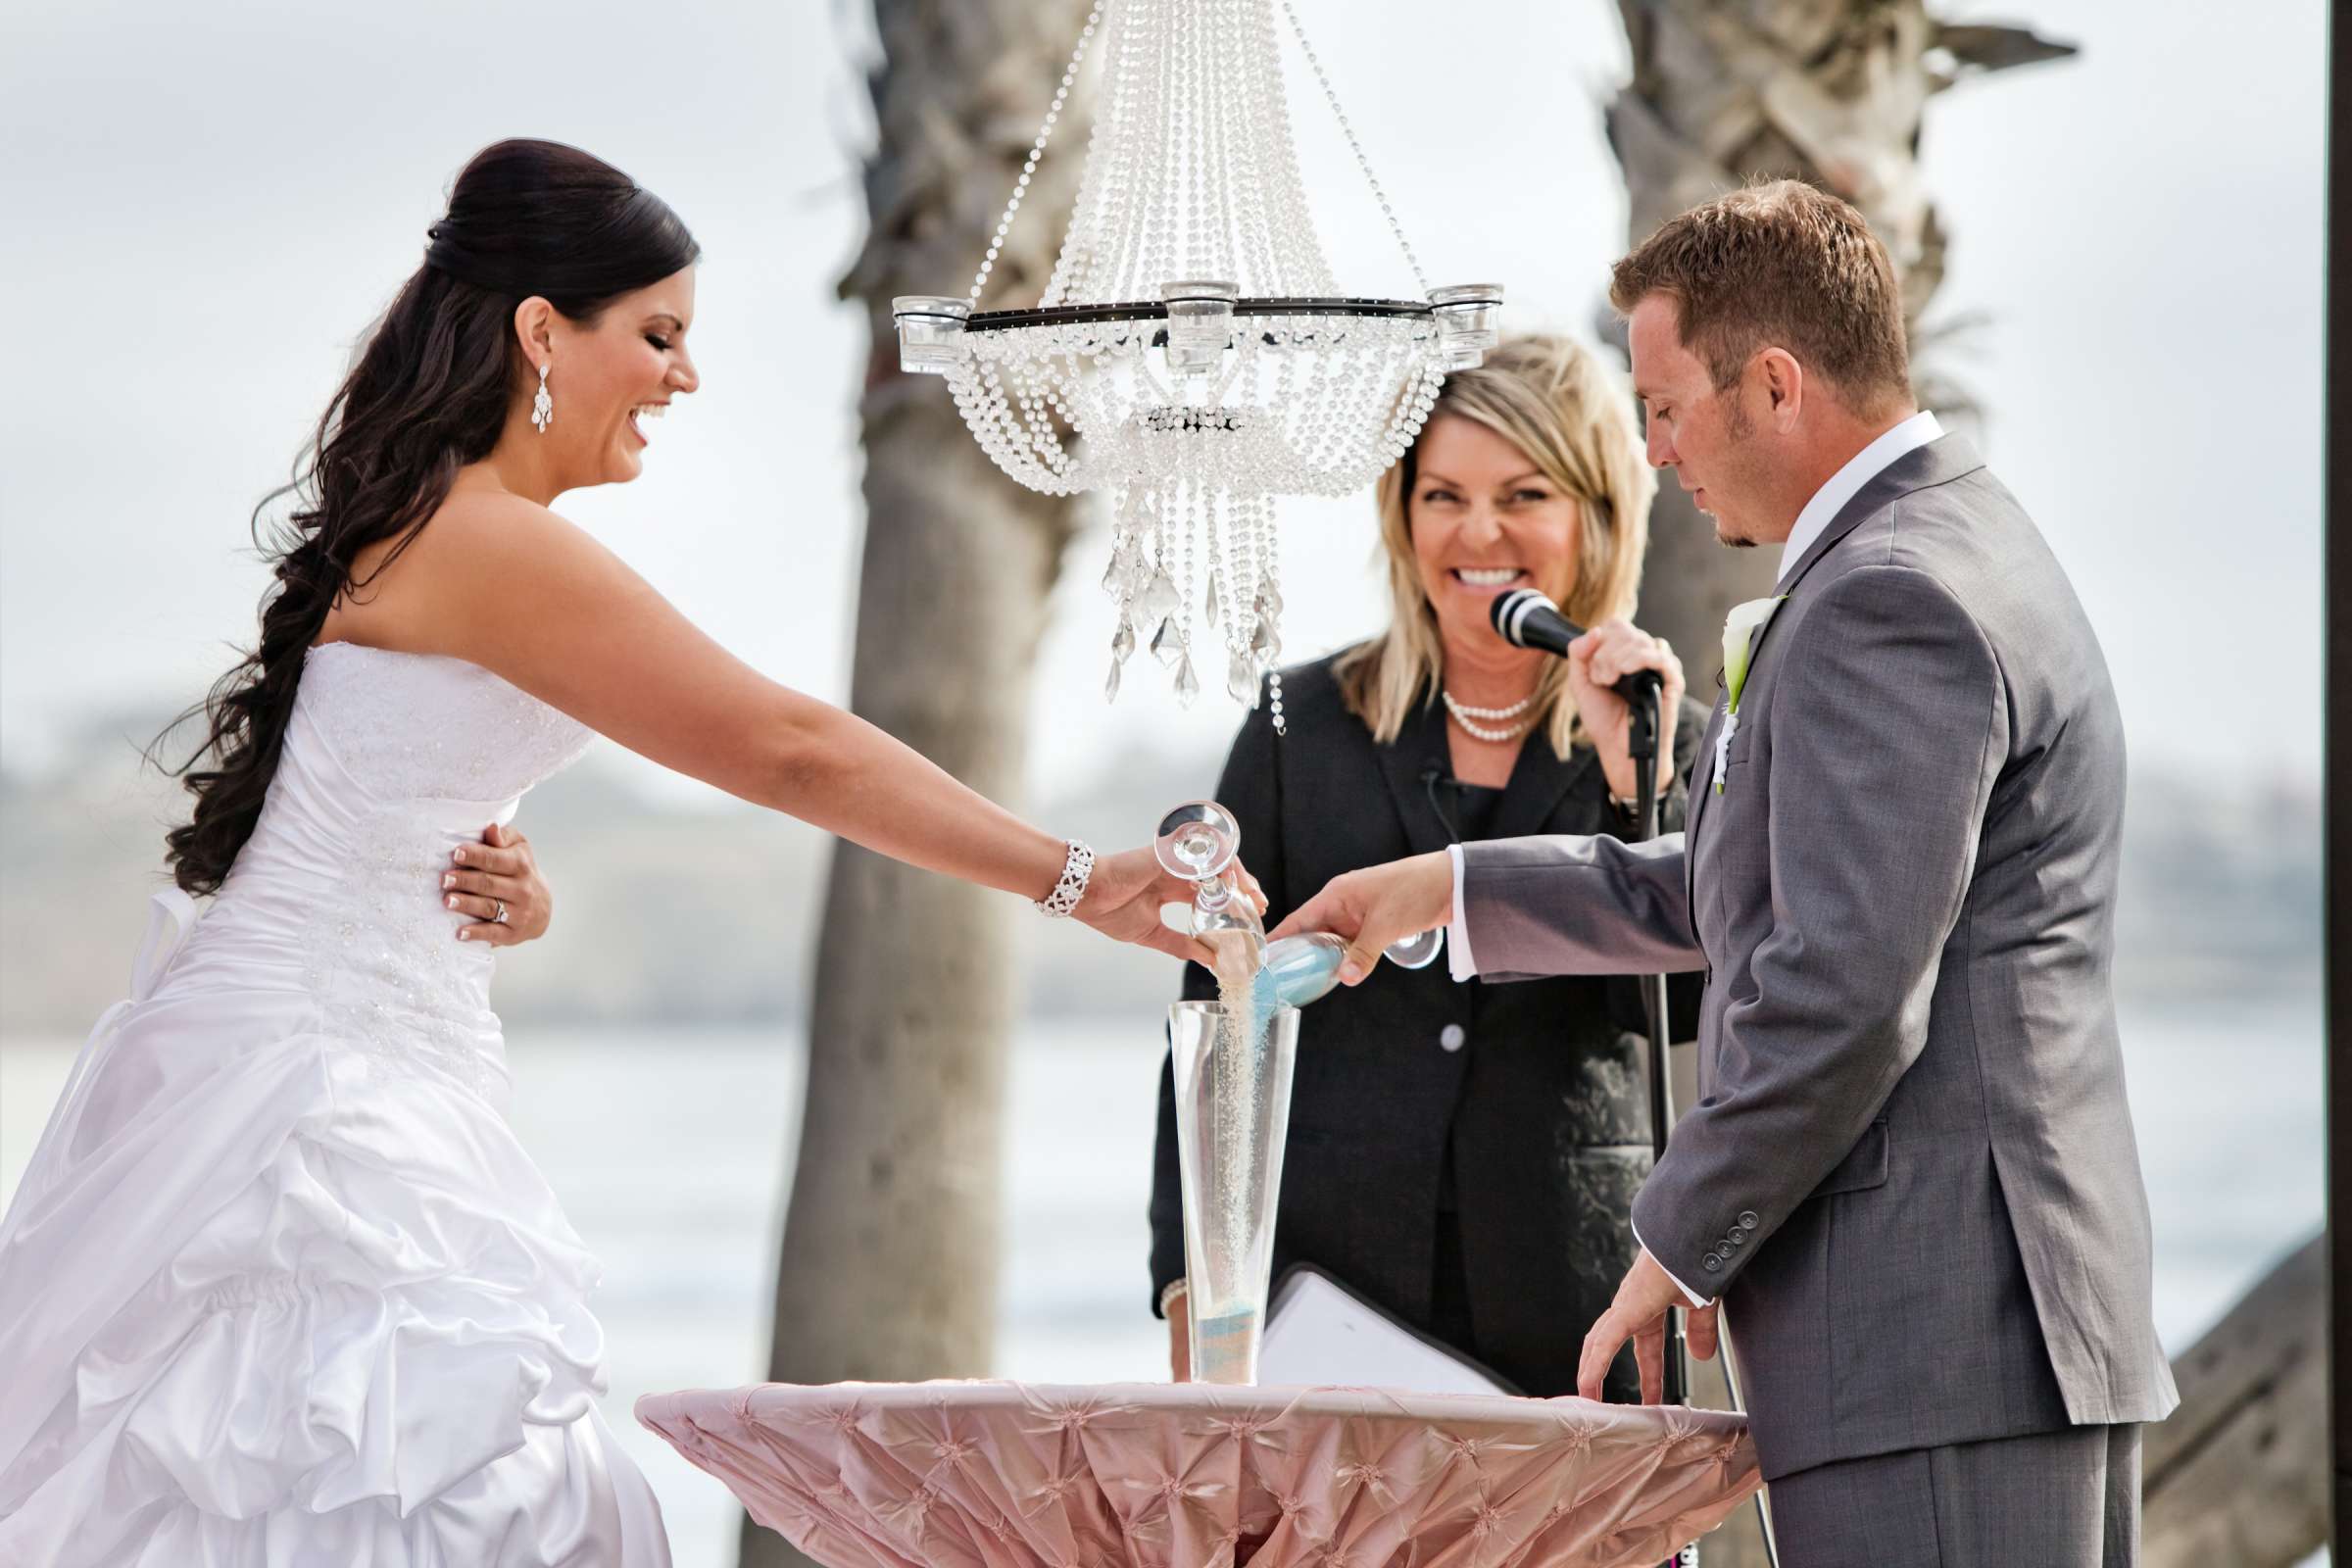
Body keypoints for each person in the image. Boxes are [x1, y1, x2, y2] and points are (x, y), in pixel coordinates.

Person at [0, 139, 1230, 1568]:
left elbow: (369, 796)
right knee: (387, 1480)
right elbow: (786, 746)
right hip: (317, 1119)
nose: (684, 377)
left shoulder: (446, 530)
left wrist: (497, 890)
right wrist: (1078, 880)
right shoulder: (484, 538)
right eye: (657, 335)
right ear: (542, 332)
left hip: (335, 1063)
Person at [1272, 180, 2176, 1566]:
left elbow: (1846, 989)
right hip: (1958, 1354)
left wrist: (1677, 1241)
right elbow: (1740, 889)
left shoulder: (1892, 596)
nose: (1653, 449)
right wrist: (1444, 888)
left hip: (1940, 1349)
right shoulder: (1937, 546)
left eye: (1668, 406)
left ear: (1774, 384)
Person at [1150, 334, 1703, 1398]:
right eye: (1442, 494)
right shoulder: (1292, 723)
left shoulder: (1662, 736)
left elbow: (1676, 1010)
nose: (1478, 531)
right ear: (1401, 516)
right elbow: (1213, 1029)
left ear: (1595, 513)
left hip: (1575, 1315)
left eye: (1524, 493)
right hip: (1326, 1308)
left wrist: (1642, 790)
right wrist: (1192, 1296)